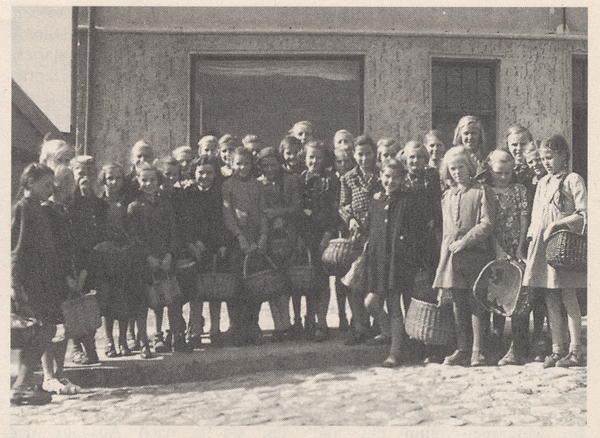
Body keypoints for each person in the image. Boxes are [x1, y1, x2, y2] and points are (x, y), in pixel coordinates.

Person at [523, 134, 587, 368]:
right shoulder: (542, 183)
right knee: (550, 297)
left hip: (564, 246)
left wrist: (557, 224)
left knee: (568, 296)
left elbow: (584, 213)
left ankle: (575, 350)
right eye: (542, 159)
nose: (546, 163)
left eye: (550, 158)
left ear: (563, 156)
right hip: (543, 246)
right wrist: (530, 239)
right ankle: (557, 349)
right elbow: (535, 215)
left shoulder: (573, 180)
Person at [433, 146, 495, 367]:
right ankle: (462, 347)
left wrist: (466, 241)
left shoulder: (481, 191)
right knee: (459, 303)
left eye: (461, 167)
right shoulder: (447, 196)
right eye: (452, 168)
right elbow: (446, 231)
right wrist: (443, 261)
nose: (457, 172)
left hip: (476, 254)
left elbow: (486, 223)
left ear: (470, 168)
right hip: (453, 256)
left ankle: (479, 350)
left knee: (477, 301)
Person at [11, 164, 62, 405]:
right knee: (41, 330)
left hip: (44, 282)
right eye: (46, 184)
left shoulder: (40, 209)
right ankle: (22, 385)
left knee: (43, 331)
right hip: (30, 282)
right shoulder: (23, 208)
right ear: (30, 182)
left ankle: (23, 385)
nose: (51, 189)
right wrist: (13, 283)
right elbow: (16, 249)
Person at [127, 164, 181, 358]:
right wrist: (148, 257)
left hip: (165, 258)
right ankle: (144, 343)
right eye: (144, 180)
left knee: (168, 298)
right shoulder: (134, 207)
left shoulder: (165, 204)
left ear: (158, 181)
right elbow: (134, 237)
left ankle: (168, 337)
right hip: (145, 261)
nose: (149, 184)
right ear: (138, 182)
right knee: (144, 302)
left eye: (152, 180)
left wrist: (169, 255)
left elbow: (174, 232)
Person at [180, 155, 231, 348]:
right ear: (194, 173)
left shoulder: (219, 194)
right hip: (194, 248)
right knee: (196, 291)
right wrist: (191, 243)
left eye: (209, 172)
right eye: (201, 172)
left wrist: (223, 244)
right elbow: (183, 224)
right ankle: (194, 330)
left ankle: (215, 329)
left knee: (215, 288)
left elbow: (224, 221)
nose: (205, 176)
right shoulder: (187, 194)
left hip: (216, 247)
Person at [485, 150, 530, 365]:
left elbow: (523, 221)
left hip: (515, 247)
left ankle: (517, 348)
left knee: (518, 295)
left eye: (508, 172)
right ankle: (496, 342)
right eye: (499, 173)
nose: (504, 177)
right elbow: (487, 223)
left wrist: (520, 248)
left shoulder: (519, 190)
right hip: (495, 249)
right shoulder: (486, 192)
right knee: (497, 295)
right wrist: (497, 248)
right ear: (490, 170)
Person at [222, 147, 269, 345]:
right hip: (236, 240)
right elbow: (228, 214)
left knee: (255, 283)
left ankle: (253, 325)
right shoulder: (227, 185)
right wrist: (239, 237)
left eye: (246, 163)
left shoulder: (258, 185)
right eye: (238, 163)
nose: (242, 167)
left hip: (255, 239)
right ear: (231, 165)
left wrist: (263, 236)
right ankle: (236, 326)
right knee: (235, 285)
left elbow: (263, 211)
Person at [339, 134, 382, 345]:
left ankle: (378, 326)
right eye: (360, 154)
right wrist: (350, 220)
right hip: (357, 236)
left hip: (378, 236)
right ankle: (359, 327)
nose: (364, 159)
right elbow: (343, 205)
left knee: (374, 282)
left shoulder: (382, 175)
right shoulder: (348, 178)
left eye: (368, 154)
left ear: (374, 154)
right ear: (354, 155)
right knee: (354, 283)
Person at [256, 147, 302, 341]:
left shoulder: (291, 181)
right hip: (267, 237)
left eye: (273, 164)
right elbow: (259, 209)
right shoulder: (258, 184)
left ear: (279, 163)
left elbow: (297, 207)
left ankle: (288, 323)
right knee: (272, 280)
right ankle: (278, 325)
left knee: (286, 280)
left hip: (288, 235)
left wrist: (279, 213)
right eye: (265, 165)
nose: (269, 169)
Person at [94, 164, 137, 358]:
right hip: (104, 256)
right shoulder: (98, 203)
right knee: (108, 300)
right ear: (103, 180)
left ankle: (123, 340)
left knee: (124, 298)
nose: (113, 182)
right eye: (110, 178)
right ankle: (109, 341)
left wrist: (127, 245)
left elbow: (132, 228)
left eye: (118, 178)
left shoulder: (127, 203)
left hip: (124, 254)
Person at [299, 142, 341, 341]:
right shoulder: (300, 178)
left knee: (322, 280)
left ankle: (322, 322)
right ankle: (309, 319)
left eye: (318, 158)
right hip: (303, 234)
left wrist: (328, 233)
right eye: (310, 157)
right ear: (305, 158)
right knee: (307, 279)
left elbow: (334, 209)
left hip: (322, 233)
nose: (314, 161)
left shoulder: (330, 180)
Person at [68, 155, 107, 365]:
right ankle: (76, 348)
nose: (85, 177)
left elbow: (103, 228)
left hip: (94, 258)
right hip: (75, 259)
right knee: (75, 302)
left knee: (91, 305)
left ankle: (90, 344)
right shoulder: (68, 202)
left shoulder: (98, 203)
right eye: (81, 173)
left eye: (89, 173)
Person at [523, 141, 551, 361]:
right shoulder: (527, 182)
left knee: (546, 291)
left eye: (538, 160)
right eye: (530, 161)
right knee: (532, 290)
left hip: (547, 237)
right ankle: (532, 336)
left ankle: (546, 338)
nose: (535, 164)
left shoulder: (549, 181)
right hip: (531, 237)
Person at [332, 147, 355, 331]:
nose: (343, 165)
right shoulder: (332, 179)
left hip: (354, 232)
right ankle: (341, 315)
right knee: (340, 277)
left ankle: (358, 317)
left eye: (347, 161)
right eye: (339, 161)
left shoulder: (352, 179)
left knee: (355, 277)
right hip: (335, 231)